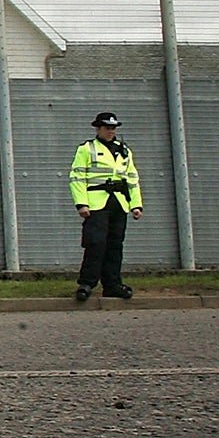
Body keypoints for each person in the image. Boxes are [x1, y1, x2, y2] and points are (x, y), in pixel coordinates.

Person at [69, 110, 141, 301]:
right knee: (95, 244)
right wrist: (81, 204)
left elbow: (132, 179)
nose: (111, 132)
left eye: (113, 128)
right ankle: (86, 283)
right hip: (96, 203)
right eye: (107, 128)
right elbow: (77, 177)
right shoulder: (86, 149)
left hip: (118, 202)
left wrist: (136, 204)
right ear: (98, 129)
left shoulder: (124, 150)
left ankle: (112, 284)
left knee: (115, 245)